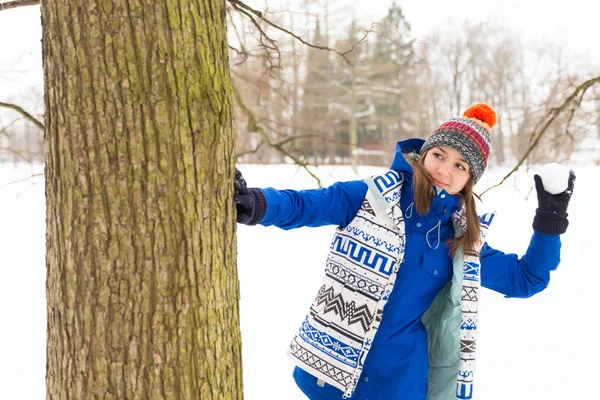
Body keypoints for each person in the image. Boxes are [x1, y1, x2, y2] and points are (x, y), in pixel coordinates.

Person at [234, 103, 576, 400]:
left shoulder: (460, 242)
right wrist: (257, 204)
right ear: (423, 154)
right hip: (330, 375)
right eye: (439, 155)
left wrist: (550, 218)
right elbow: (306, 205)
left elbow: (526, 279)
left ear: (470, 180)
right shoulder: (371, 197)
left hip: (399, 386)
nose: (444, 170)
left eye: (460, 166)